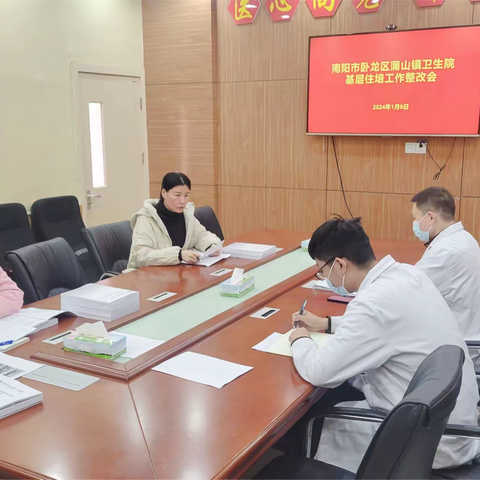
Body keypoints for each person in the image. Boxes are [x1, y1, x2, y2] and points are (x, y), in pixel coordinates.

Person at [289, 216, 480, 473]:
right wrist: (328, 324)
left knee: (302, 424)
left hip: (427, 443)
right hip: (455, 423)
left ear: (340, 265)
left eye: (322, 270)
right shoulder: (407, 274)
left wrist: (299, 340)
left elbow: (321, 371)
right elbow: (384, 326)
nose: (323, 278)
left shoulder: (373, 303)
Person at [412, 186, 480, 368]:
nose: (415, 224)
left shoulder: (446, 252)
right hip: (464, 339)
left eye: (416, 218)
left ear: (431, 217)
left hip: (458, 351)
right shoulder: (464, 239)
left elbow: (405, 291)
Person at [128, 172, 222, 268]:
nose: (183, 201)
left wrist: (211, 246)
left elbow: (201, 235)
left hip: (176, 273)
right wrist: (178, 255)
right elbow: (140, 256)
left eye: (186, 195)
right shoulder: (146, 218)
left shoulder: (186, 214)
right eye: (177, 195)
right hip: (146, 277)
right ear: (164, 193)